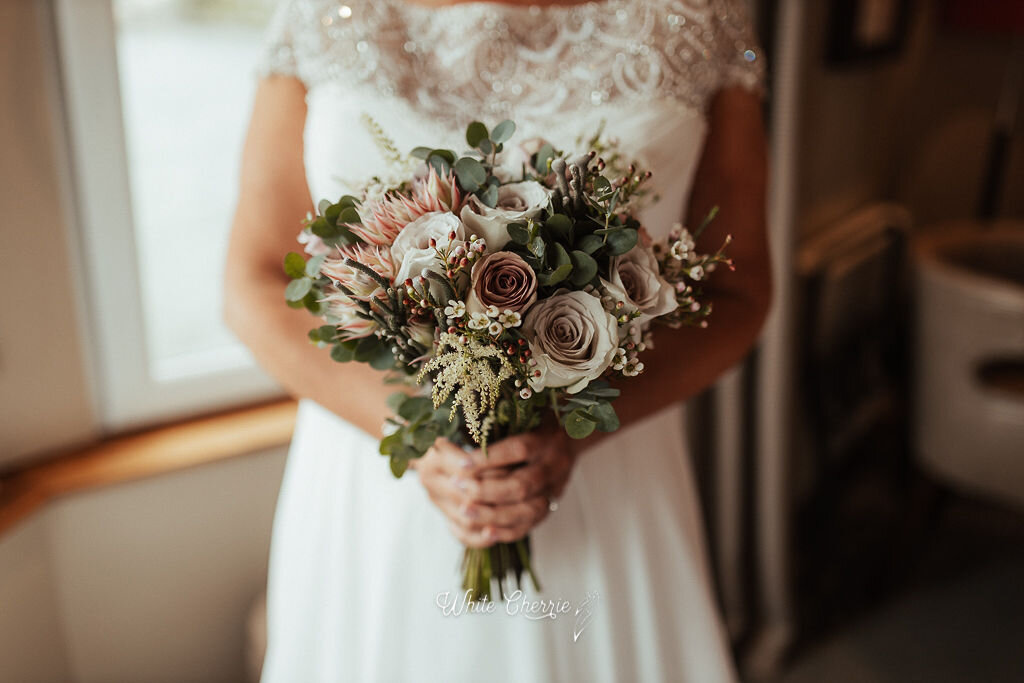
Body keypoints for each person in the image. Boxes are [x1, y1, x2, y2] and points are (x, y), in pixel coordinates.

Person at [224, 0, 770, 680]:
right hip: (374, 471)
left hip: (610, 469)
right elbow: (254, 279)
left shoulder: (704, 13)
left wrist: (573, 432)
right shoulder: (319, 10)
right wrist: (416, 430)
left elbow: (739, 291)